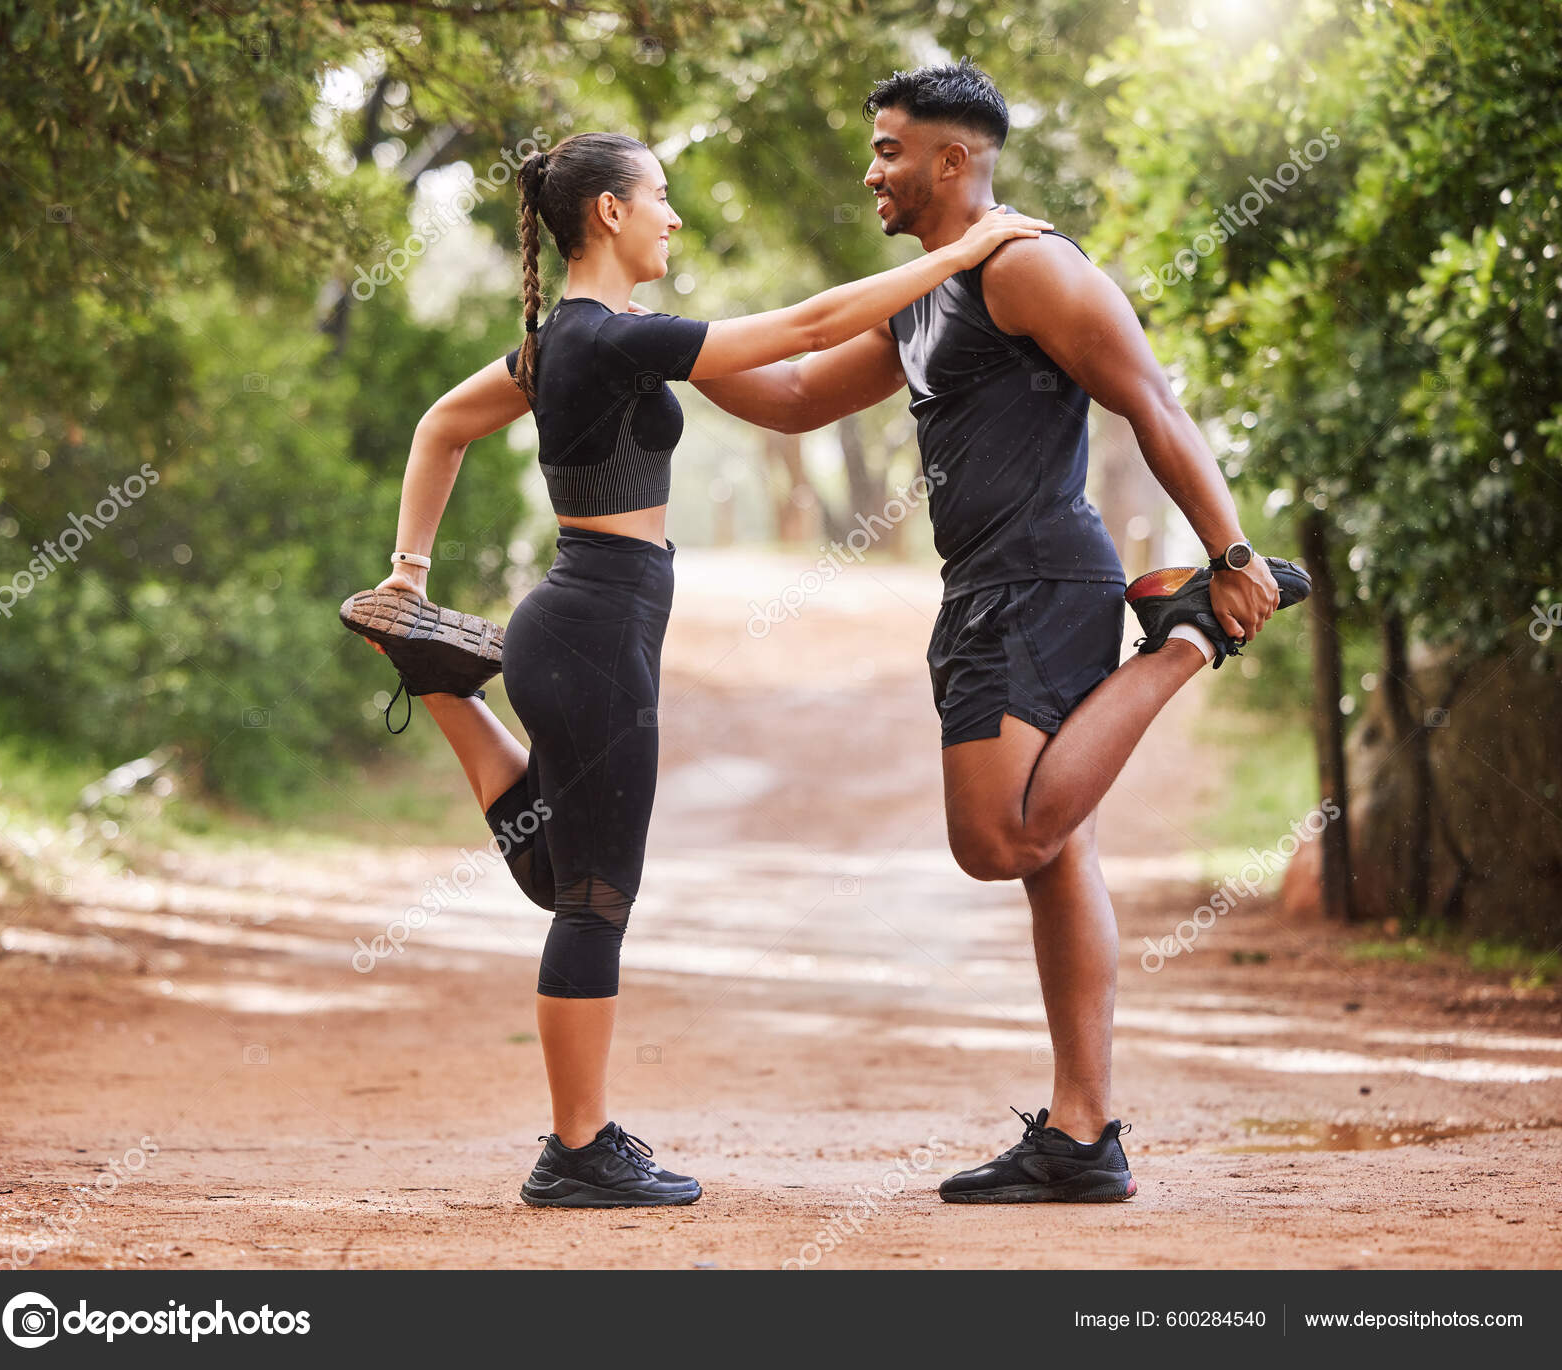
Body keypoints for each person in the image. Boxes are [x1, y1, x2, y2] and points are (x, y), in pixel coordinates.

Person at [339, 130, 1052, 1208]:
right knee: (590, 900)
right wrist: (964, 253)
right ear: (610, 215)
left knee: (556, 872)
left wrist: (408, 569)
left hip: (577, 629)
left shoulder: (565, 342)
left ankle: (442, 684)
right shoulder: (610, 338)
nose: (674, 217)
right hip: (594, 634)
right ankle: (576, 1150)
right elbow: (809, 326)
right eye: (660, 199)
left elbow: (442, 426)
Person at [693, 61, 1311, 1203]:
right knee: (1055, 846)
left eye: (887, 149)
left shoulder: (1029, 267)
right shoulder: (929, 290)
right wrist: (654, 343)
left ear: (950, 159)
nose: (871, 169)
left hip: (1037, 581)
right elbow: (788, 395)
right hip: (986, 585)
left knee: (998, 840)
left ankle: (1181, 640)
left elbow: (1151, 399)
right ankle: (1083, 1134)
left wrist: (1226, 557)